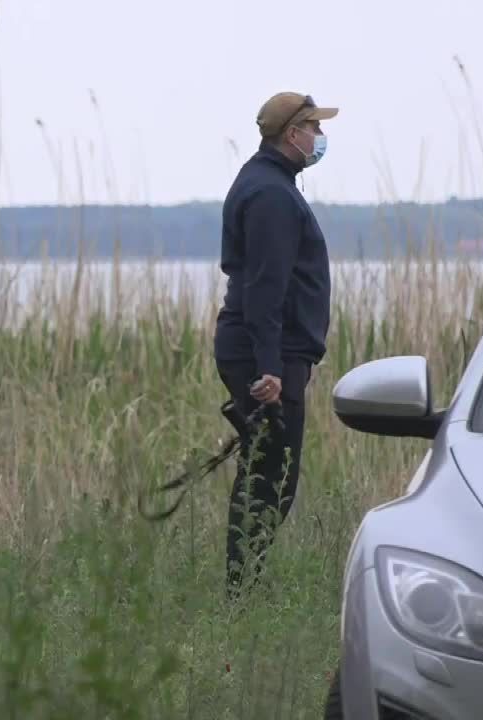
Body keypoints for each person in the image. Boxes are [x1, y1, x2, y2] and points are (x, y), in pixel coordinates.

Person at [213, 92, 337, 600]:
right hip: (267, 357)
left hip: (273, 354)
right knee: (270, 480)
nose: (320, 137)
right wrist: (269, 371)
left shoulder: (270, 183)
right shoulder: (270, 195)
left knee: (269, 474)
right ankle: (240, 596)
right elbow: (267, 287)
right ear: (293, 134)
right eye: (314, 127)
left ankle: (243, 588)